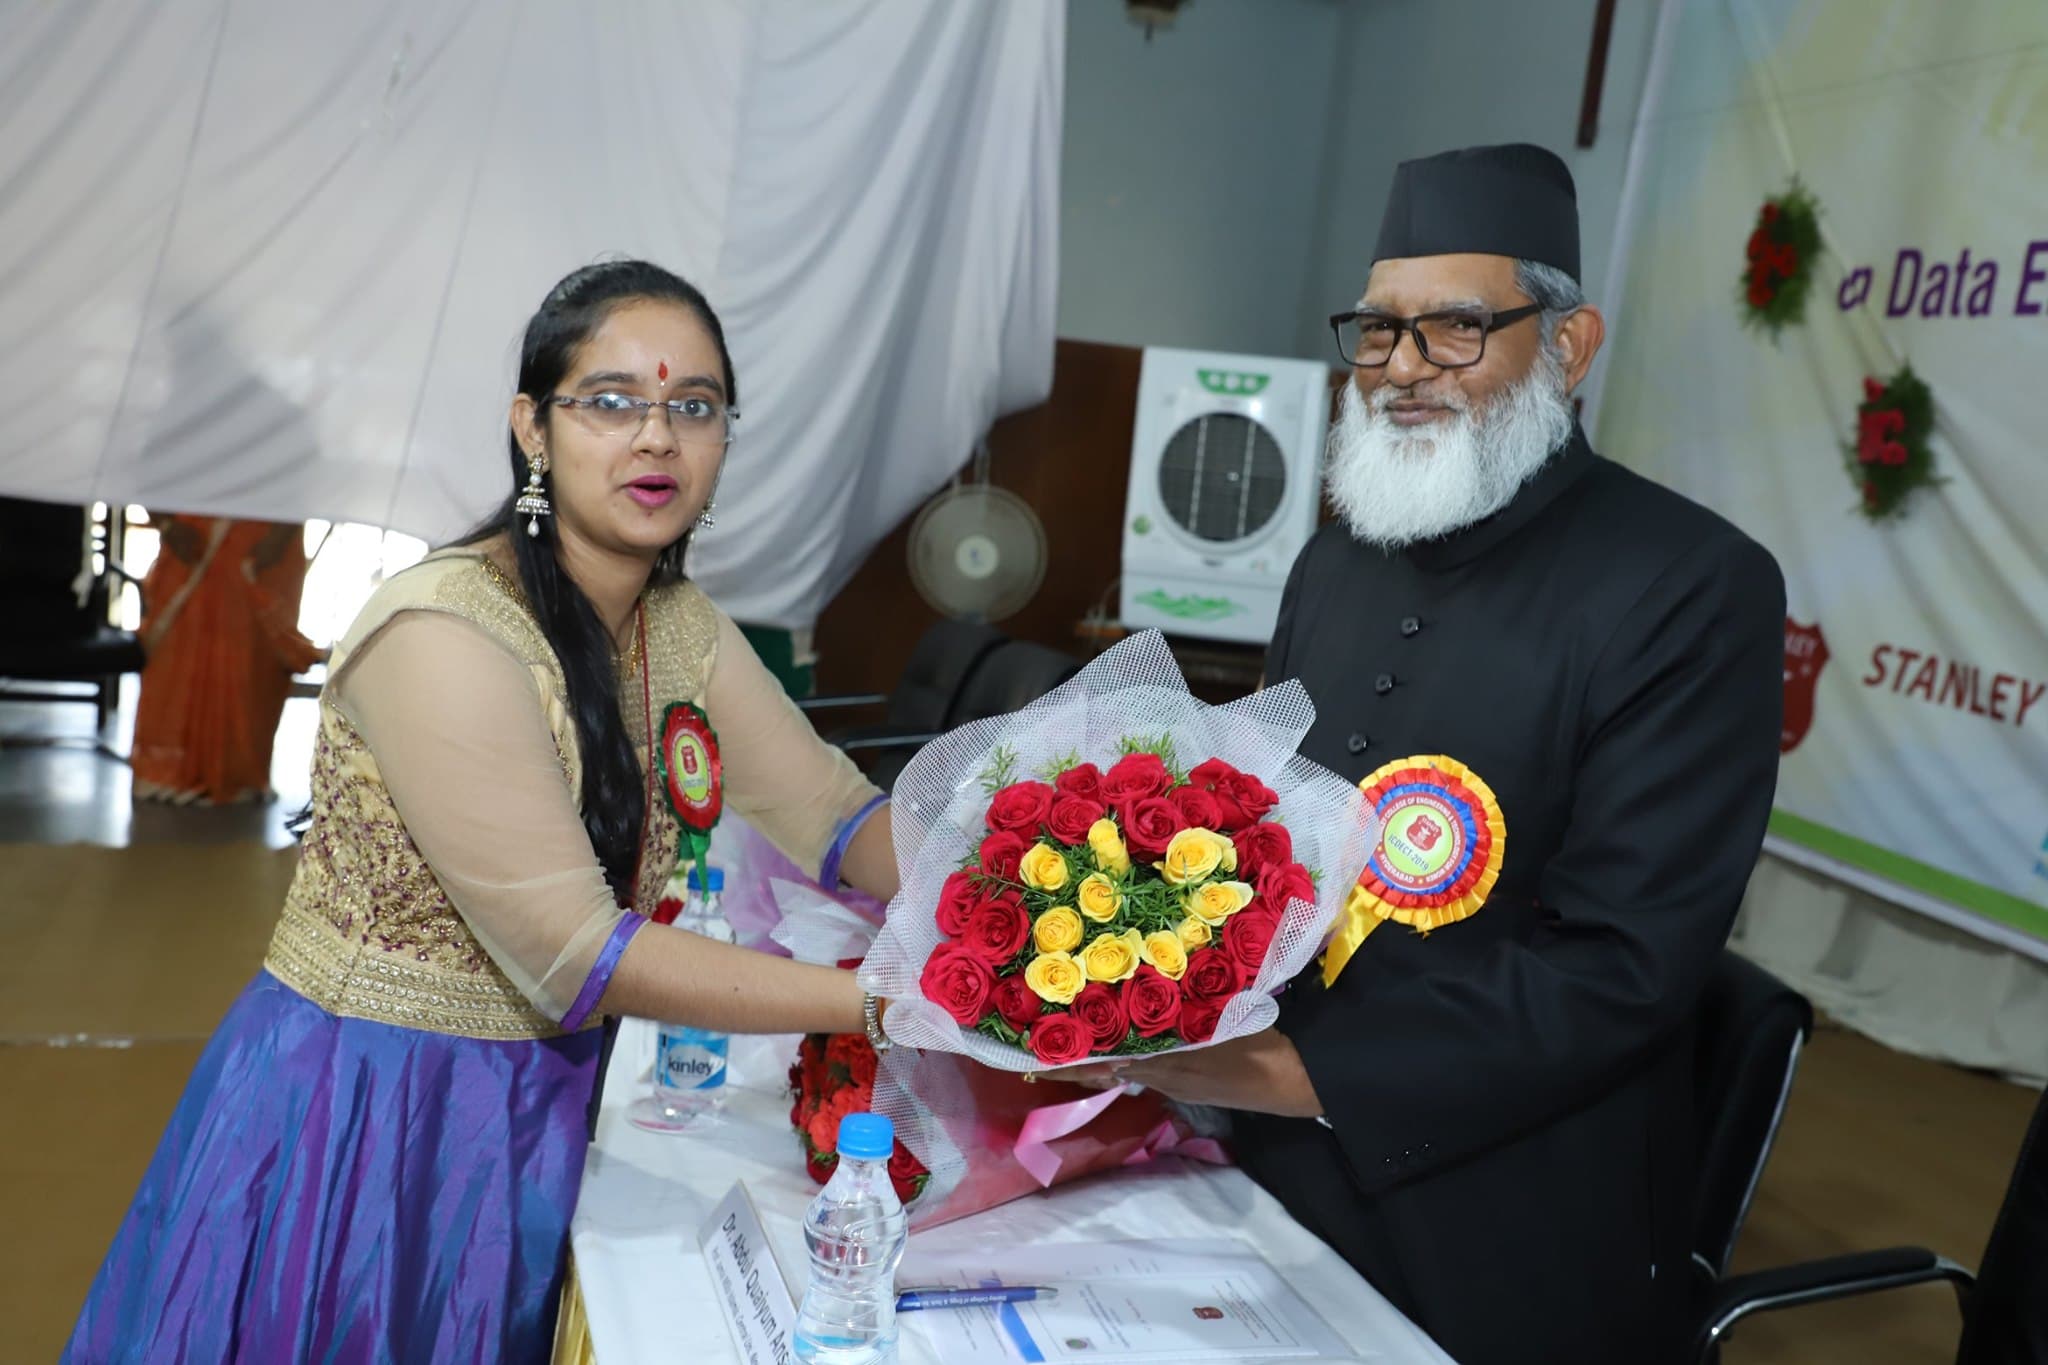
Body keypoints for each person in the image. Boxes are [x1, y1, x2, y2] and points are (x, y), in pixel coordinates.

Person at [67, 261, 903, 1360]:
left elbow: (839, 818)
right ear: (532, 429)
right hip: (366, 1116)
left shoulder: (678, 627)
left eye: (692, 407)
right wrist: (893, 1001)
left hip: (533, 1099)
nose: (656, 438)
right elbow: (570, 952)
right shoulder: (445, 632)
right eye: (610, 402)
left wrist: (1054, 898)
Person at [1079, 145, 1785, 1364]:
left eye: (1456, 329)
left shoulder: (1690, 586)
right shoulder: (1337, 556)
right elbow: (1248, 833)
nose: (1401, 370)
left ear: (1565, 346)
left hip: (1504, 1209)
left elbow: (1618, 970)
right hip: (1261, 1145)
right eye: (1378, 331)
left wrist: (1283, 1072)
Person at [130, 514, 322, 804]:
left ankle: (237, 774)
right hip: (190, 535)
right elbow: (146, 471)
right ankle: (169, 771)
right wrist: (166, 523)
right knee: (178, 659)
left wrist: (282, 531)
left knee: (249, 659)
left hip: (263, 535)